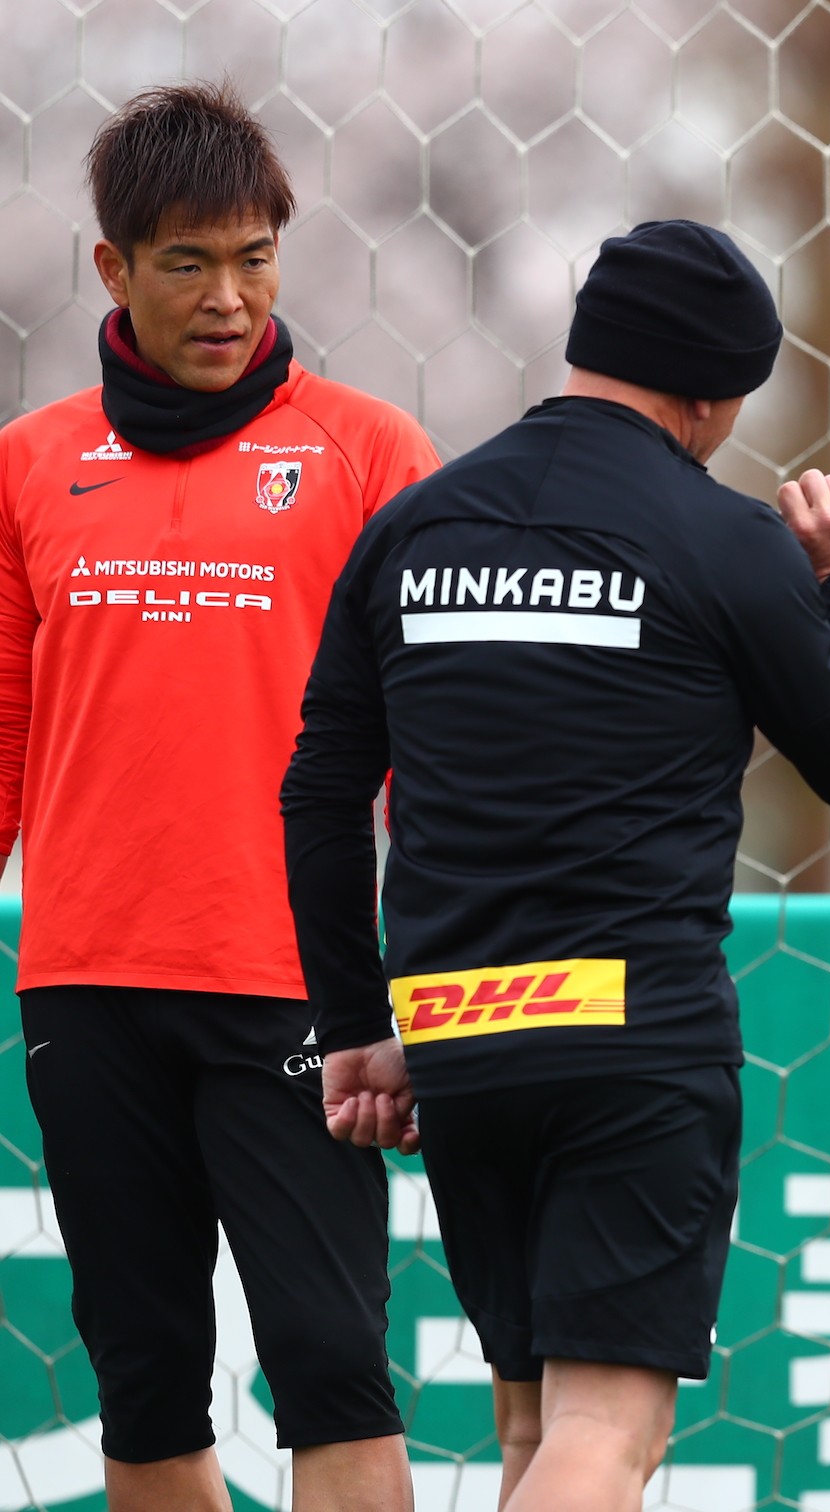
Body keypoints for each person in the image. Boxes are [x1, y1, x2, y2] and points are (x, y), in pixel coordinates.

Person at [282, 218, 830, 1512]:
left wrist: (359, 1024)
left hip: (459, 1030)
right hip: (632, 1038)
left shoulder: (412, 528)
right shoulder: (722, 538)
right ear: (712, 391)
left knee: (527, 1432)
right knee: (604, 1440)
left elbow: (322, 794)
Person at [0, 83, 437, 1512]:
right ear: (114, 270)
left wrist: (427, 982)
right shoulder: (31, 465)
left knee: (332, 1368)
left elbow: (438, 752)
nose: (230, 296)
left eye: (254, 256)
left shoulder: (370, 455)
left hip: (296, 989)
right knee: (142, 1378)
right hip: (87, 981)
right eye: (188, 261)